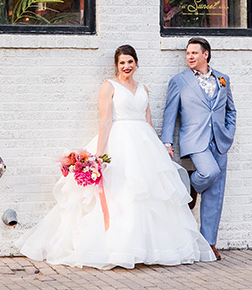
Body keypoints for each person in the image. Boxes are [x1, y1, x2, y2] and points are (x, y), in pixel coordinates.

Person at [16, 45, 215, 270]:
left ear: (136, 63)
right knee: (122, 192)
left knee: (149, 194)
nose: (126, 66)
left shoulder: (143, 89)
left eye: (130, 62)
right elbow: (105, 120)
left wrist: (160, 146)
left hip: (144, 144)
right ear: (116, 65)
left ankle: (148, 248)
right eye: (122, 63)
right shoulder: (109, 86)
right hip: (120, 142)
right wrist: (99, 155)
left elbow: (148, 121)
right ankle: (119, 248)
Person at [161, 36, 236, 261]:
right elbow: (170, 113)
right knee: (210, 173)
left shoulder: (223, 79)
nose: (190, 57)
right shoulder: (179, 81)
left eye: (194, 53)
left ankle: (208, 244)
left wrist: (228, 132)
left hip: (220, 141)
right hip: (195, 140)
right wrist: (167, 142)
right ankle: (193, 186)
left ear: (206, 54)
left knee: (216, 193)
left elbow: (231, 110)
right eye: (187, 53)